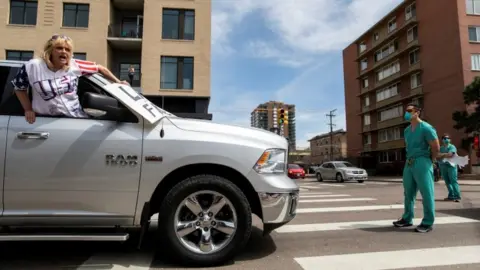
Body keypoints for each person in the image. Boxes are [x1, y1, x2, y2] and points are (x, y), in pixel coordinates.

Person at [11, 34, 129, 124]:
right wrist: (28, 109)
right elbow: (19, 88)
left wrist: (118, 82)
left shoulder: (75, 65)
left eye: (67, 49)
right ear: (50, 50)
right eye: (59, 48)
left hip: (75, 119)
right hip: (43, 121)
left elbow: (100, 68)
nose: (64, 52)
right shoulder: (32, 66)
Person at [393, 103, 440, 233]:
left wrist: (432, 160)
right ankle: (407, 218)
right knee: (408, 192)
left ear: (417, 112)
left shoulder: (426, 128)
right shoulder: (407, 130)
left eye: (409, 110)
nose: (406, 113)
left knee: (426, 192)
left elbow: (435, 146)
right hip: (409, 162)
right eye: (406, 111)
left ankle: (427, 222)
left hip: (422, 161)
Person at [438, 134, 461, 202]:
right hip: (443, 166)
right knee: (447, 182)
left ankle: (457, 196)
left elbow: (451, 154)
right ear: (442, 140)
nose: (446, 139)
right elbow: (437, 156)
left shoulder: (452, 146)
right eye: (444, 138)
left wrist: (442, 155)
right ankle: (451, 196)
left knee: (453, 181)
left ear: (450, 140)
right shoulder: (441, 148)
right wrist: (445, 155)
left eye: (448, 138)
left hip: (451, 166)